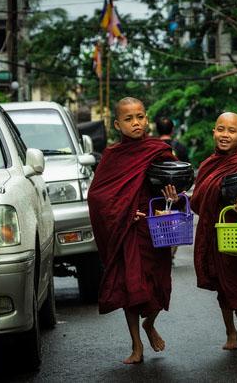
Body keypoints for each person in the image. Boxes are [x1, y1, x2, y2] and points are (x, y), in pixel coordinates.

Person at [87, 97, 178, 364]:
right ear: (118, 124)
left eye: (140, 117)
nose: (136, 123)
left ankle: (150, 323)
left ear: (146, 119)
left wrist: (169, 197)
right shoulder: (113, 157)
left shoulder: (159, 150)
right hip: (128, 230)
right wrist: (125, 214)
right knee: (130, 286)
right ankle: (136, 345)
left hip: (154, 228)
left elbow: (175, 186)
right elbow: (97, 196)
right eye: (129, 119)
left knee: (159, 283)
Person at [191, 112, 237, 353]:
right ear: (214, 132)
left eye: (231, 131)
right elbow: (196, 201)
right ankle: (231, 332)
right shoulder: (206, 166)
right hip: (218, 232)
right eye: (221, 129)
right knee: (224, 284)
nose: (225, 135)